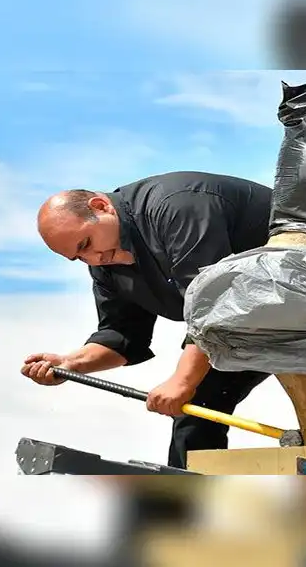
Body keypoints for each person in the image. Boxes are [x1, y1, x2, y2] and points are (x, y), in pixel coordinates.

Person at [20, 171, 273, 469]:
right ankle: (188, 503)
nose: (94, 259)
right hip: (249, 321)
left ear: (101, 206)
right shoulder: (106, 262)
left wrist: (182, 380)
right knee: (196, 410)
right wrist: (70, 363)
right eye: (80, 258)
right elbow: (123, 336)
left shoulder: (176, 207)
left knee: (194, 388)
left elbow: (214, 303)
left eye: (86, 244)